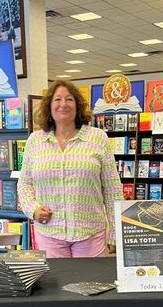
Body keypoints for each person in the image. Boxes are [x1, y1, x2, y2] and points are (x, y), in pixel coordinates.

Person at [17, 80, 122, 258]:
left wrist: (115, 233)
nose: (63, 104)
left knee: (90, 285)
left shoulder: (98, 138)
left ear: (78, 106)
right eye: (57, 99)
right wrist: (33, 209)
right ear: (49, 106)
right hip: (50, 232)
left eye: (69, 99)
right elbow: (25, 184)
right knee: (55, 283)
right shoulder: (35, 141)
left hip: (90, 232)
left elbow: (113, 189)